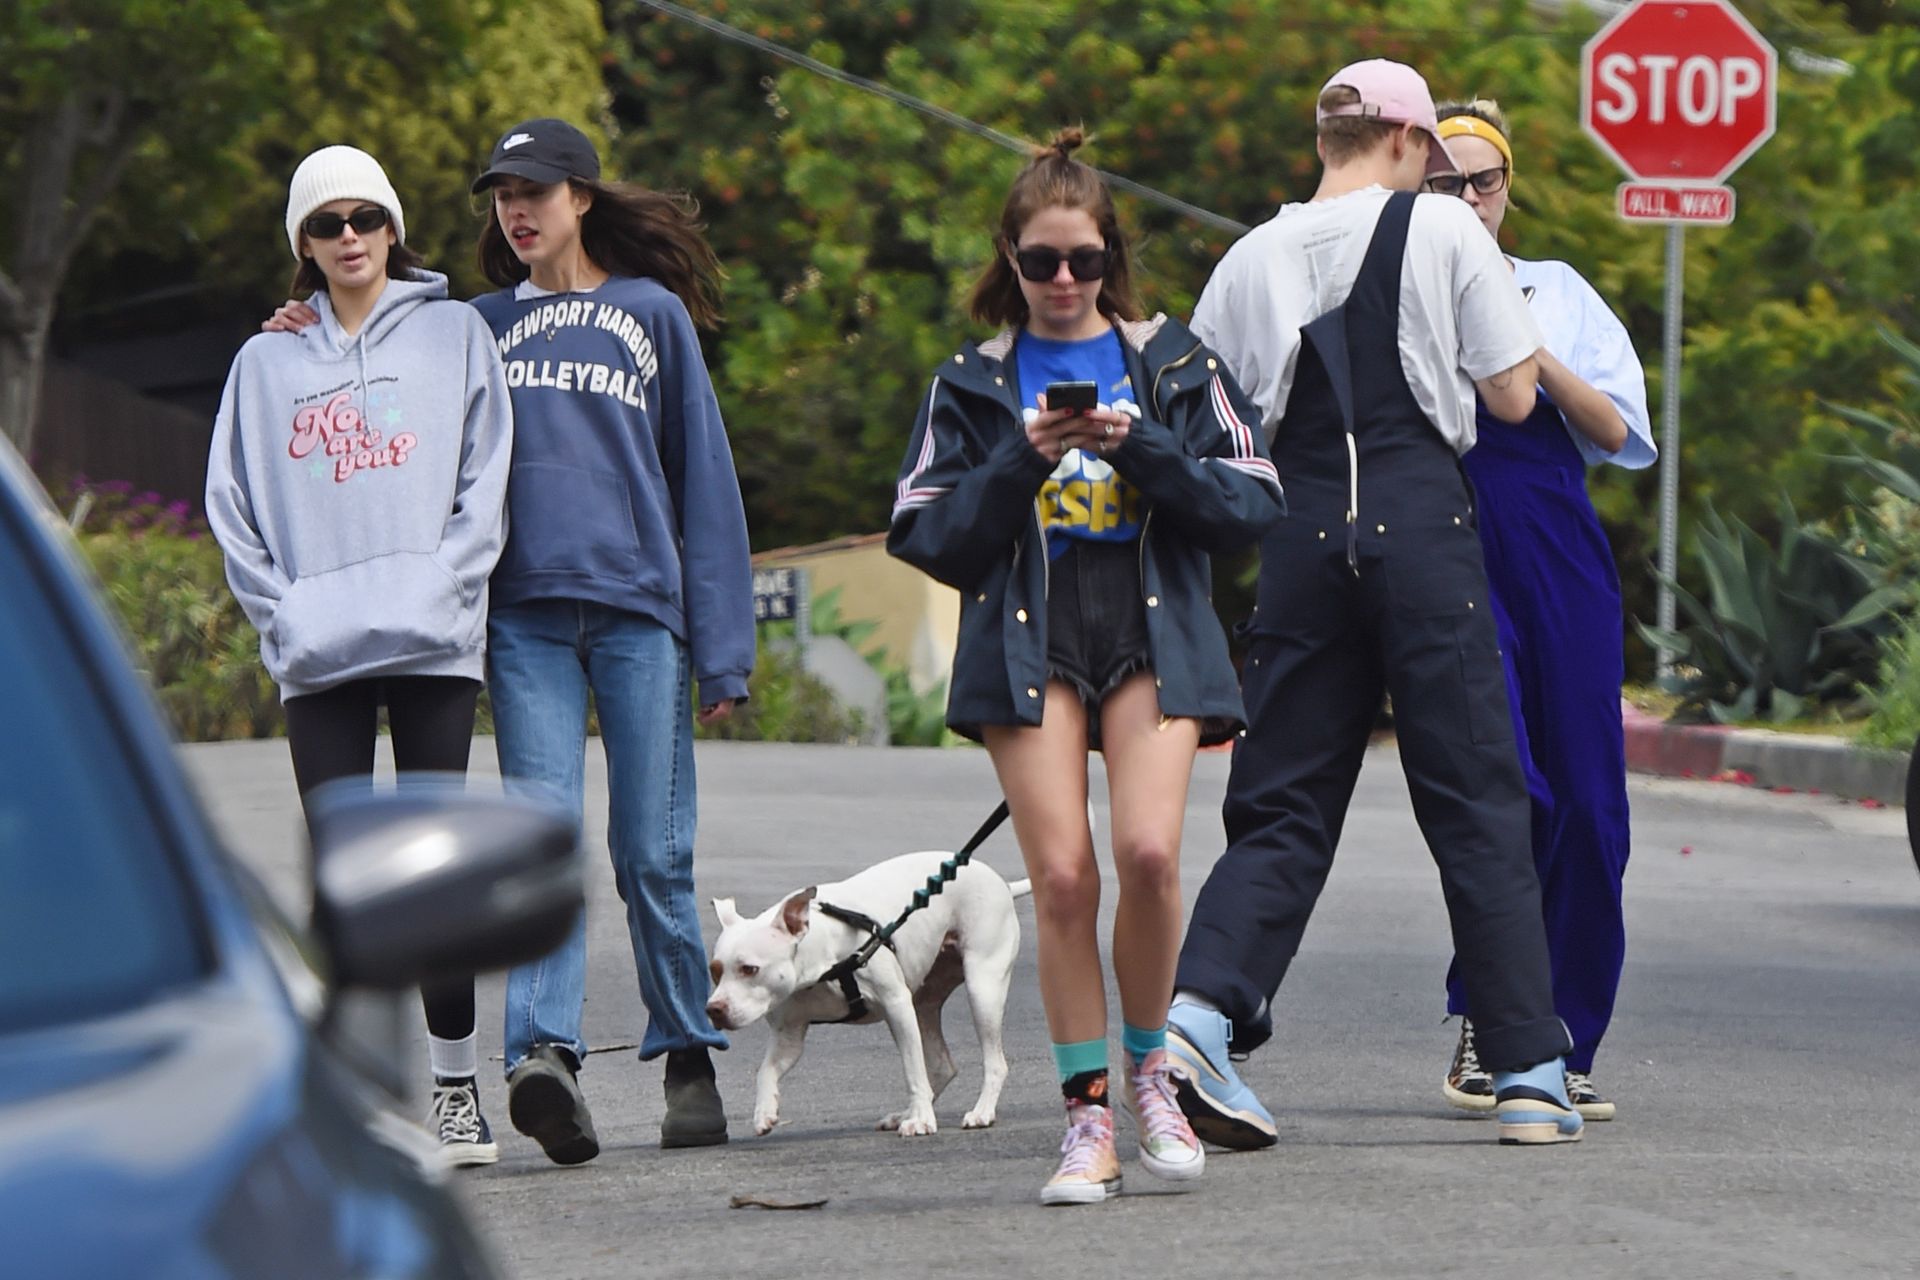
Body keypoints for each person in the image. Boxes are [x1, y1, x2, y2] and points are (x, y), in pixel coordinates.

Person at [1159, 60, 1588, 1149]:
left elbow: (1219, 427)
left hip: (1299, 536)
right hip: (1421, 526)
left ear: (1324, 139)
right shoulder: (1446, 234)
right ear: (1404, 141)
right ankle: (1532, 1071)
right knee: (1477, 796)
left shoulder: (1246, 258)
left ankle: (1200, 1016)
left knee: (1283, 800)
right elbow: (1512, 394)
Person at [887, 129, 1285, 1205]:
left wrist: (1137, 443)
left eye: (1084, 260)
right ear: (1007, 262)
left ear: (1112, 256)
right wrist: (1023, 455)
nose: (1063, 282)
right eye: (1040, 262)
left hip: (1152, 623)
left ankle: (1152, 1070)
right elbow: (924, 534)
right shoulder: (971, 381)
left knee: (1151, 853)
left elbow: (1252, 502)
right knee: (1062, 877)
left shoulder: (1176, 360)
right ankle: (1087, 1118)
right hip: (1030, 630)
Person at [206, 145, 513, 1166]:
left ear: (393, 228)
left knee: (432, 872)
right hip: (320, 647)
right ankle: (356, 1100)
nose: (349, 238)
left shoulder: (455, 333)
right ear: (302, 241)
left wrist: (446, 584)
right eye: (326, 223)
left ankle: (458, 1091)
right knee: (341, 877)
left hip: (434, 641)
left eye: (365, 219)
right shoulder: (266, 361)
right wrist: (282, 614)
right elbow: (231, 504)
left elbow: (488, 474)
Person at [468, 119, 754, 1162]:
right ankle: (544, 1057)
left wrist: (723, 644)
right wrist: (301, 315)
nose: (517, 207)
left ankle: (686, 1050)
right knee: (540, 845)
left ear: (581, 197)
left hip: (641, 610)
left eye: (536, 188)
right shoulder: (476, 325)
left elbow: (704, 479)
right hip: (524, 614)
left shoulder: (650, 313)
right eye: (502, 192)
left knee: (650, 852)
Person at [1425, 101, 1654, 1123]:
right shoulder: (1399, 285)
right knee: (1506, 791)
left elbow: (1615, 429)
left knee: (1594, 807)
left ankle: (1569, 1035)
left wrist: (1528, 347)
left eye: (1485, 182)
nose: (1470, 199)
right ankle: (1500, 1016)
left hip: (1555, 547)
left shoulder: (1555, 290)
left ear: (1508, 189)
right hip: (1447, 538)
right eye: (1446, 183)